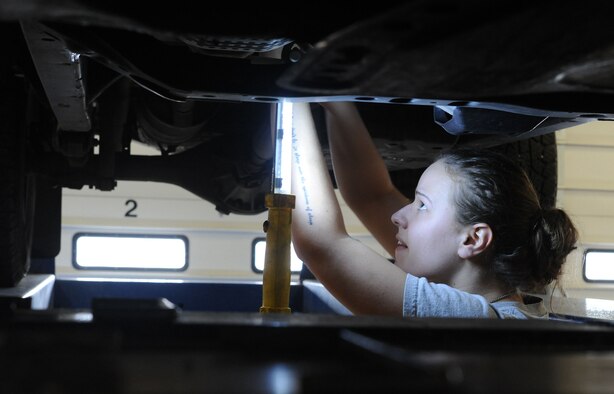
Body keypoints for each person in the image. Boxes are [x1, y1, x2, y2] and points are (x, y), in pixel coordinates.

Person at [290, 102, 578, 318]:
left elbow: (321, 243)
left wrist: (289, 98)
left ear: (473, 240)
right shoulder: (500, 303)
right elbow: (372, 196)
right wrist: (336, 103)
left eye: (422, 205)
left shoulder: (477, 321)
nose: (398, 216)